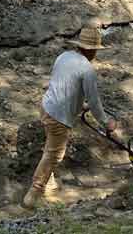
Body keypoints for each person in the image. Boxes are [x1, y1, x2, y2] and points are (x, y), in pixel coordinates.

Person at [22, 24, 117, 209]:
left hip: (46, 106)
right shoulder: (87, 70)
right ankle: (33, 194)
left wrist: (78, 106)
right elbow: (95, 102)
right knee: (55, 154)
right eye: (95, 50)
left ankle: (49, 184)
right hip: (58, 117)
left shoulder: (64, 56)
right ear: (91, 50)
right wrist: (107, 123)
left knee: (50, 147)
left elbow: (62, 84)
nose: (95, 54)